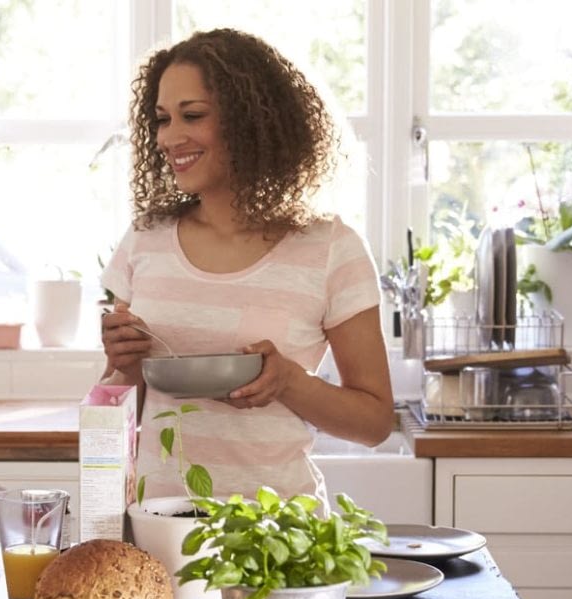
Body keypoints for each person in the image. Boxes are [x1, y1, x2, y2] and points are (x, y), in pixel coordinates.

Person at [100, 28, 395, 501]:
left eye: (192, 115)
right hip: (159, 530)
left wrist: (290, 383)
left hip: (277, 537)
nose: (170, 137)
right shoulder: (144, 241)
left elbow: (375, 423)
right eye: (162, 119)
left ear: (250, 121)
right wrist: (123, 366)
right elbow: (120, 408)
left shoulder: (330, 248)